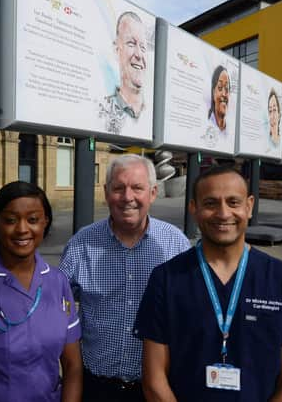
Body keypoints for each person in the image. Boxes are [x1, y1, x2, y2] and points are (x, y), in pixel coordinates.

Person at [138, 166, 282, 401]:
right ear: (194, 208)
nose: (223, 214)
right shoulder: (166, 279)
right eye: (211, 203)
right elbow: (154, 380)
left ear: (249, 206)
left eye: (233, 202)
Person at [59, 154, 191, 402]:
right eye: (119, 188)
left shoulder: (176, 245)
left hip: (155, 391)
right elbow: (56, 308)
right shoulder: (81, 244)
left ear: (152, 193)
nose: (128, 197)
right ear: (107, 192)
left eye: (137, 188)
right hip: (94, 388)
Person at [0, 181, 83, 402]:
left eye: (33, 220)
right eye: (11, 220)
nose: (22, 229)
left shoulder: (57, 281)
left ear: (45, 222)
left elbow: (73, 367)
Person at [99, 11, 148, 135]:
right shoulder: (102, 112)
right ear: (116, 50)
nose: (139, 54)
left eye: (143, 47)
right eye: (131, 44)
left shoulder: (151, 114)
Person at [207, 65, 230, 135]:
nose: (224, 94)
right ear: (213, 92)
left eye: (226, 89)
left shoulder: (230, 132)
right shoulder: (207, 123)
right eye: (220, 87)